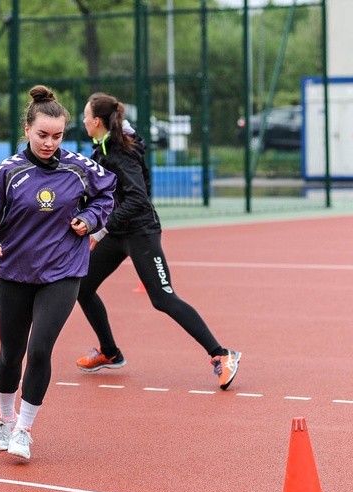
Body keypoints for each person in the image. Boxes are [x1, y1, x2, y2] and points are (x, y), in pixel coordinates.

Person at [0, 85, 116, 460]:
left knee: (40, 349)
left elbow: (106, 194)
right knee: (10, 353)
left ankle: (24, 429)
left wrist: (90, 219)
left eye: (58, 136)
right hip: (15, 271)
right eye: (43, 135)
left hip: (63, 272)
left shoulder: (80, 167)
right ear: (27, 130)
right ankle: (3, 419)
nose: (50, 143)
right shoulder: (6, 172)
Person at [75, 92, 242, 389]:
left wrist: (99, 231)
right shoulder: (103, 148)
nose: (83, 120)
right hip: (118, 231)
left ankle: (221, 354)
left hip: (140, 231)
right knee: (83, 287)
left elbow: (138, 198)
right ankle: (110, 352)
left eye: (85, 115)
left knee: (163, 298)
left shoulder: (119, 151)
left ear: (96, 121)